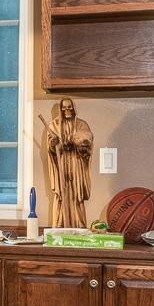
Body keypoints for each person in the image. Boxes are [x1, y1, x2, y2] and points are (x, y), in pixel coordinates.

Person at [44, 97, 93, 228]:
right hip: (61, 165)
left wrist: (81, 143)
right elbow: (50, 147)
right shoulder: (53, 125)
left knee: (77, 195)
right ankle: (60, 225)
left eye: (69, 107)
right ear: (60, 109)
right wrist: (53, 144)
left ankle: (80, 226)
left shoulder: (81, 125)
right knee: (61, 195)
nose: (67, 111)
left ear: (73, 108)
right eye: (64, 108)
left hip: (76, 165)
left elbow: (87, 142)